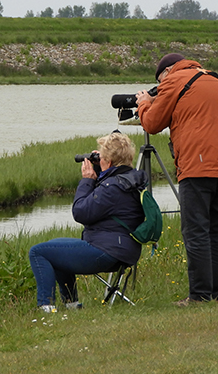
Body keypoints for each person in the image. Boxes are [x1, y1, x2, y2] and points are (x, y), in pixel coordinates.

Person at [136, 53, 218, 304]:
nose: (161, 86)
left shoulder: (174, 80)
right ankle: (217, 294)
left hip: (197, 166)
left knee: (196, 232)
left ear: (167, 72)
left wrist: (145, 103)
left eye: (160, 82)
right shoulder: (214, 79)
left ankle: (200, 296)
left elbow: (152, 123)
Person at [28, 131, 146, 313]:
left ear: (109, 161)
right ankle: (71, 305)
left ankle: (46, 308)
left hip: (107, 252)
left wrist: (86, 181)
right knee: (56, 247)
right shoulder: (129, 180)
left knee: (38, 252)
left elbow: (80, 212)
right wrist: (100, 171)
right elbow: (105, 200)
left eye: (102, 157)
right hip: (124, 250)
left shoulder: (112, 187)